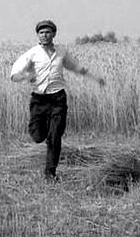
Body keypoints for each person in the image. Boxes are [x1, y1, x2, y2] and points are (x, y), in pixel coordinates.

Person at [10, 20, 105, 182]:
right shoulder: (32, 54)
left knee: (55, 137)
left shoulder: (61, 52)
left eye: (48, 32)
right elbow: (14, 75)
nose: (44, 35)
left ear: (54, 34)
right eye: (41, 33)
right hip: (39, 99)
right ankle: (43, 131)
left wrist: (95, 78)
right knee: (38, 136)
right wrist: (27, 76)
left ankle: (50, 173)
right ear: (37, 35)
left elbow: (76, 67)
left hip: (57, 98)